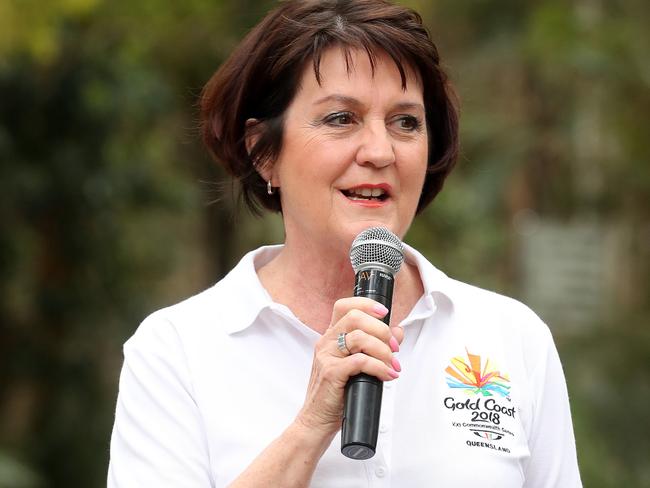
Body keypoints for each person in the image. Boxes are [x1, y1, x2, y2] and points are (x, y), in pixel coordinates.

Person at [108, 0, 582, 486]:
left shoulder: (511, 338)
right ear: (264, 153)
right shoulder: (178, 351)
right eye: (340, 118)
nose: (379, 151)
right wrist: (311, 425)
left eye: (406, 122)